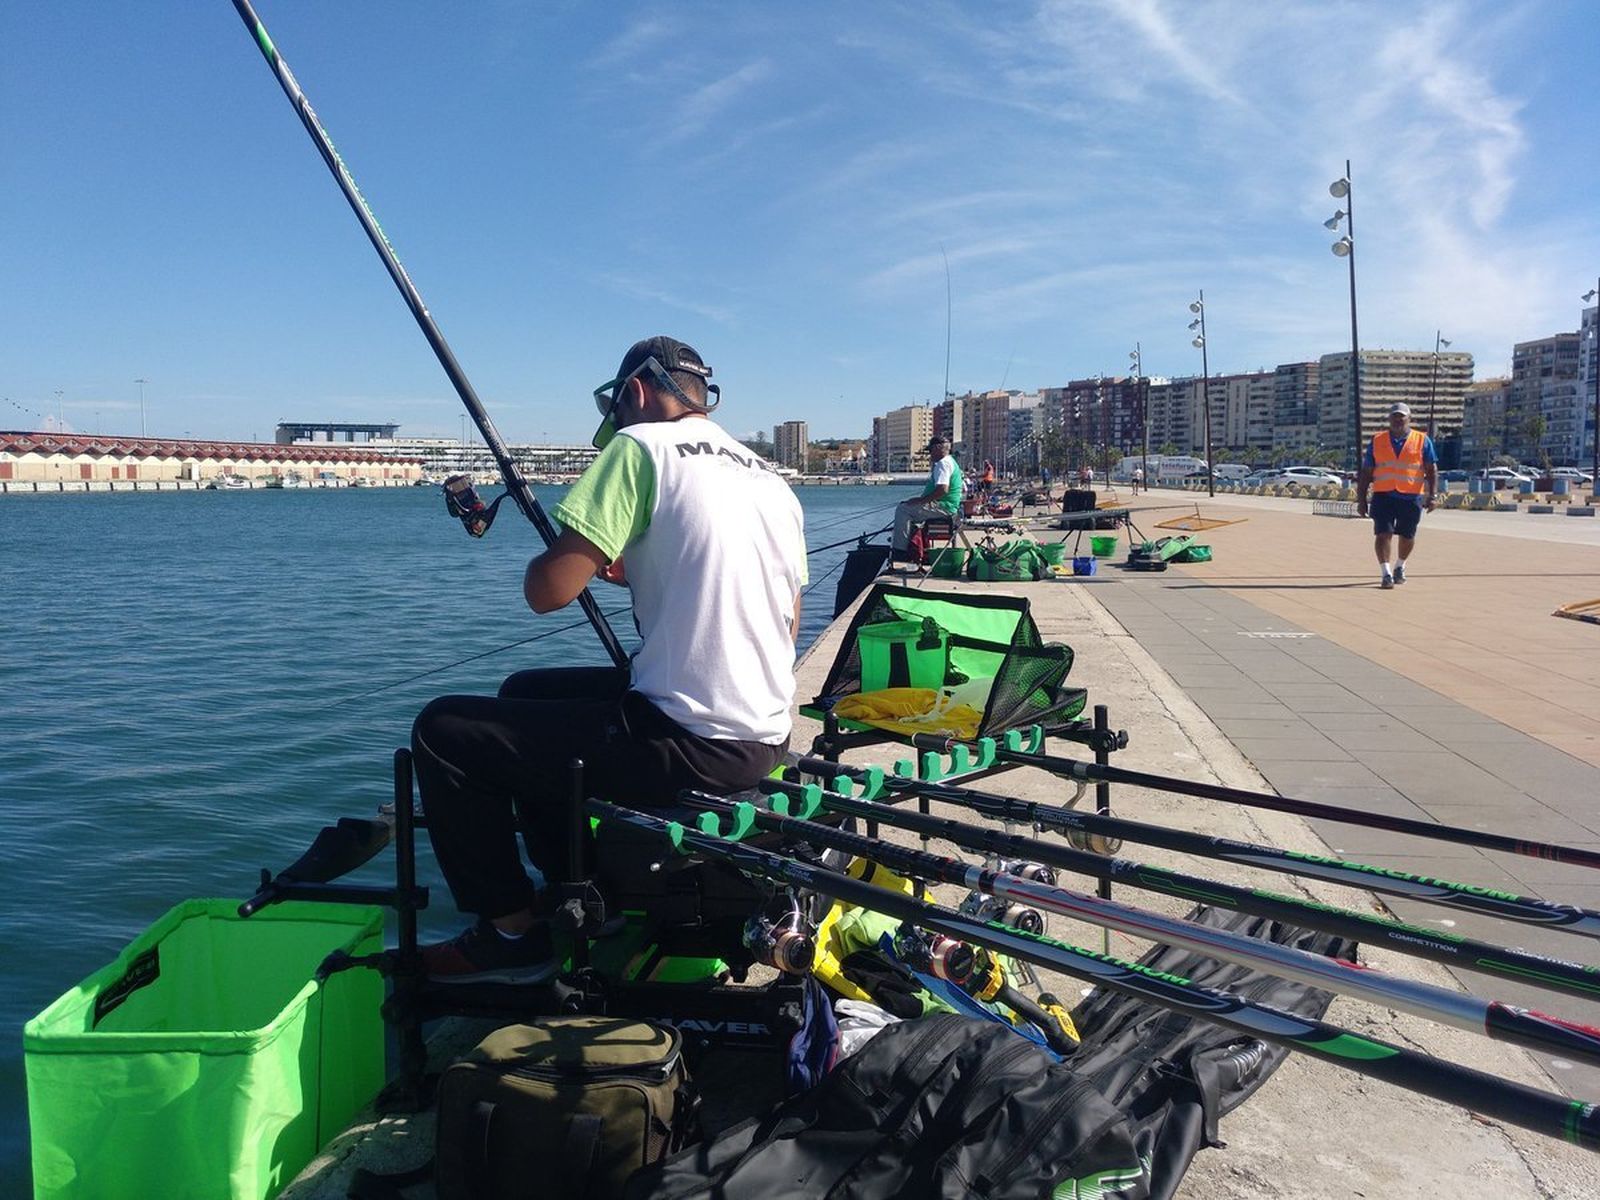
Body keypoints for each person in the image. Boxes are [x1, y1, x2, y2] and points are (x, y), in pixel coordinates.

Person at [411, 336, 808, 982]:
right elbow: (784, 621)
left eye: (616, 413)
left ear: (636, 393)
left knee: (443, 733)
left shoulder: (640, 448)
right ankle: (586, 892)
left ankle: (511, 932)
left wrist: (562, 557)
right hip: (764, 739)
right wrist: (643, 572)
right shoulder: (770, 479)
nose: (615, 428)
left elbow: (547, 592)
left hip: (684, 744)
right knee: (524, 693)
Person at [1356, 402, 1437, 589]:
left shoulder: (1422, 440)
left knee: (1407, 535)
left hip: (1411, 496)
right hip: (1383, 495)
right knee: (1383, 533)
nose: (1398, 420)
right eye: (1395, 416)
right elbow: (1366, 473)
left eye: (1402, 416)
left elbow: (1431, 470)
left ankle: (1400, 565)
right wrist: (1361, 500)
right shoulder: (1378, 440)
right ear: (1389, 419)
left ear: (1409, 418)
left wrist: (1432, 496)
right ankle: (1386, 573)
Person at [891, 435, 964, 563]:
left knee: (903, 510)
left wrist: (920, 501)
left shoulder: (943, 464)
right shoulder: (950, 461)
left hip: (944, 507)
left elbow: (943, 489)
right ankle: (913, 546)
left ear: (938, 448)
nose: (929, 454)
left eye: (930, 450)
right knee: (908, 507)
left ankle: (900, 553)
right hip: (947, 506)